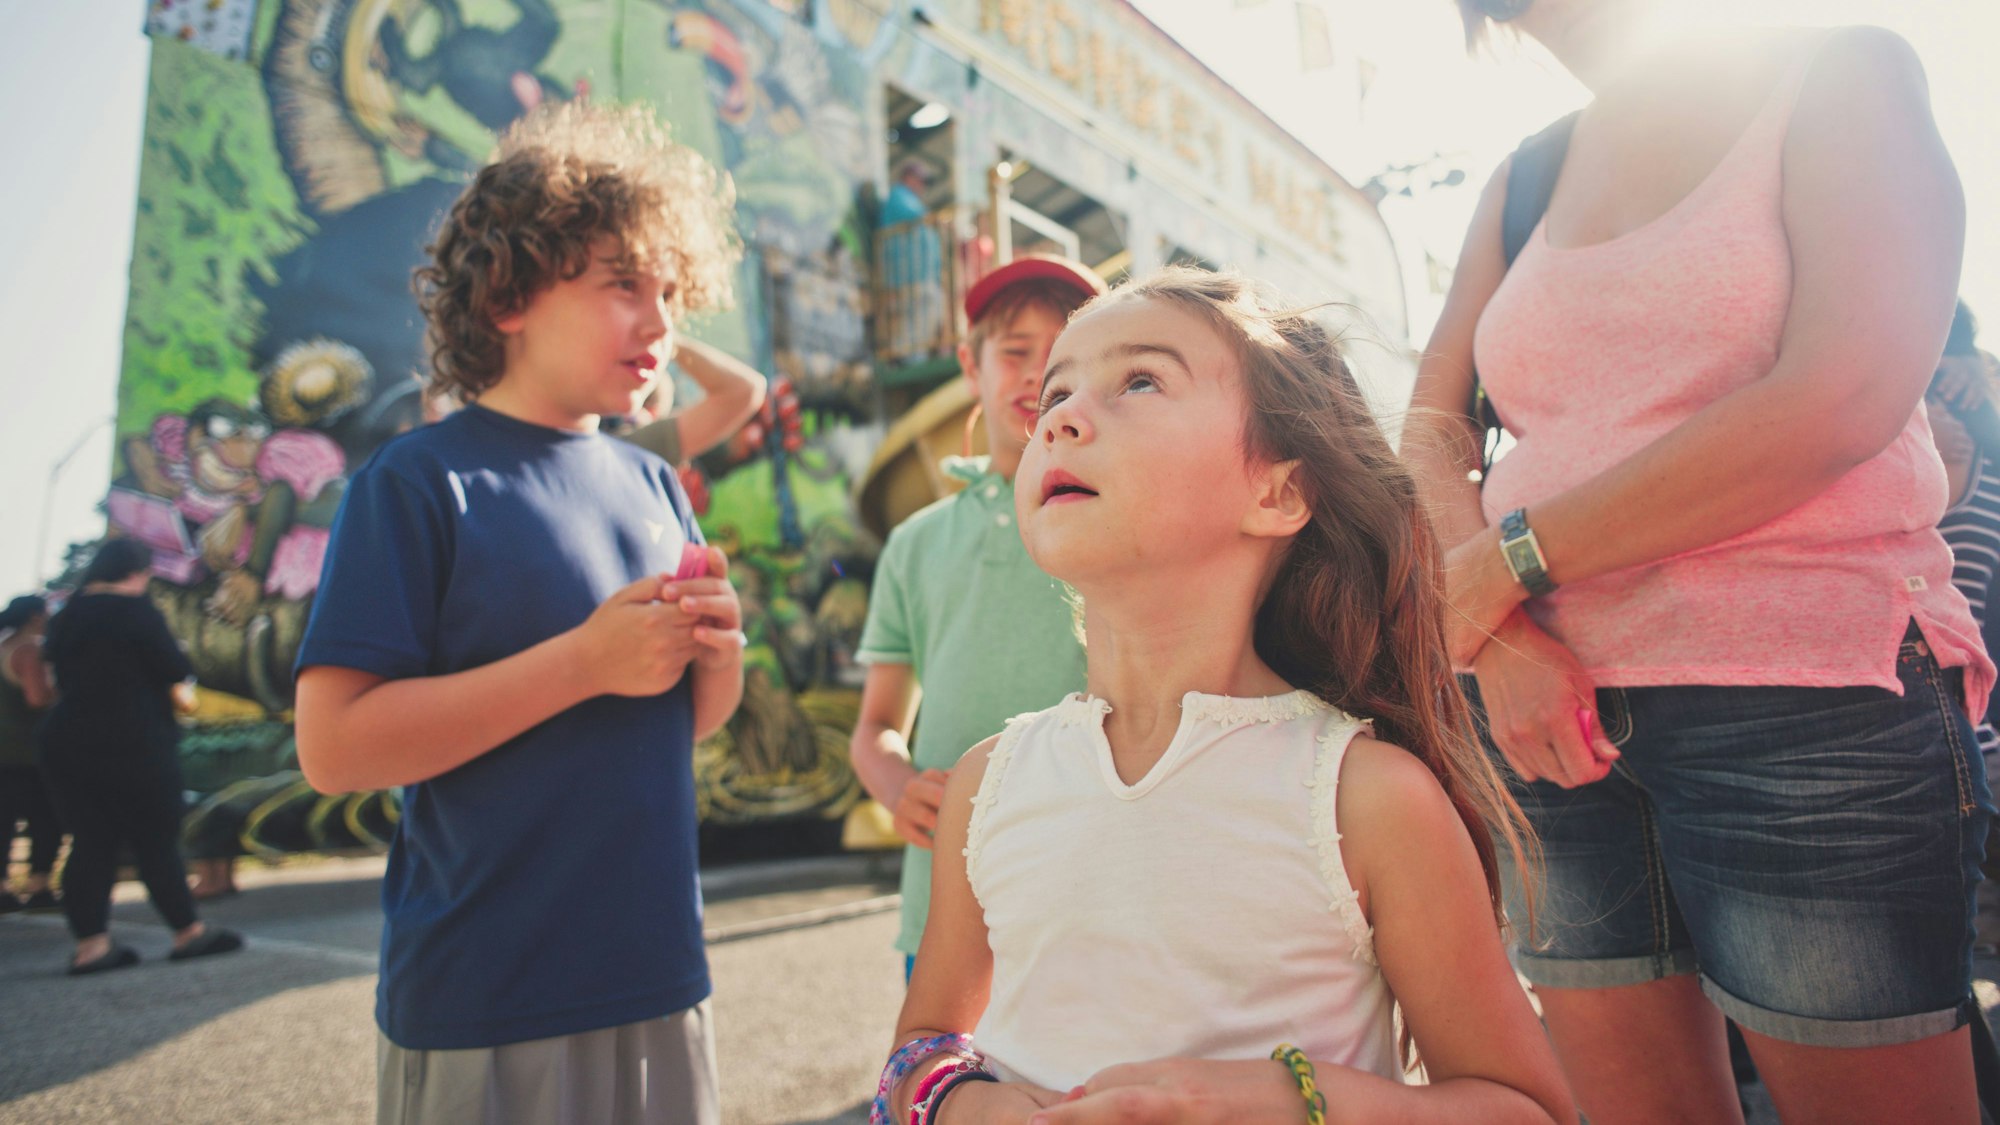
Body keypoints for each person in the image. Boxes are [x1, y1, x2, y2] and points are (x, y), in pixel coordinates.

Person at [1403, 4, 1987, 1122]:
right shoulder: (1524, 176)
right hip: (1543, 713)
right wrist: (1496, 631)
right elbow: (1430, 427)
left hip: (1805, 702)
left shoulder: (1839, 75)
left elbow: (1843, 392)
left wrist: (1503, 567)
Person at [876, 268, 1576, 1125]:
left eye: (1140, 380)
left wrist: (1298, 1099)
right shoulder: (985, 788)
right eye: (1056, 391)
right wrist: (964, 1106)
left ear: (1277, 492)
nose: (1055, 416)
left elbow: (1524, 1108)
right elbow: (920, 1048)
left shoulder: (1366, 797)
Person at [294, 100, 745, 1125]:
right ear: (507, 297)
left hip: (657, 977)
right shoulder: (415, 482)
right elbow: (334, 748)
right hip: (483, 998)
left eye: (670, 291)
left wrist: (717, 655)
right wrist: (582, 663)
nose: (660, 321)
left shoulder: (655, 485)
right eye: (622, 284)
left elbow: (674, 726)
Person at [850, 255, 1103, 981]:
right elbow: (874, 729)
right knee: (944, 1092)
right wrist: (899, 786)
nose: (1036, 375)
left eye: (1061, 355)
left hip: (1091, 903)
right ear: (971, 364)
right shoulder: (916, 542)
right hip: (940, 915)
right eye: (1014, 352)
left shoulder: (1124, 523)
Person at [37, 539, 244, 975]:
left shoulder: (66, 613)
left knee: (89, 841)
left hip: (68, 737)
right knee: (155, 837)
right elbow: (171, 668)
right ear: (138, 571)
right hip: (133, 738)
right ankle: (187, 932)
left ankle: (91, 945)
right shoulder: (135, 612)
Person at [617, 334, 767, 467]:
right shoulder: (635, 449)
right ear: (653, 414)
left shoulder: (624, 447)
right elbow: (747, 390)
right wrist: (668, 340)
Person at [0, 594, 62, 913]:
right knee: (45, 819)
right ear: (36, 617)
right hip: (28, 752)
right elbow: (37, 698)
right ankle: (39, 884)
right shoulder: (29, 650)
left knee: (3, 823)